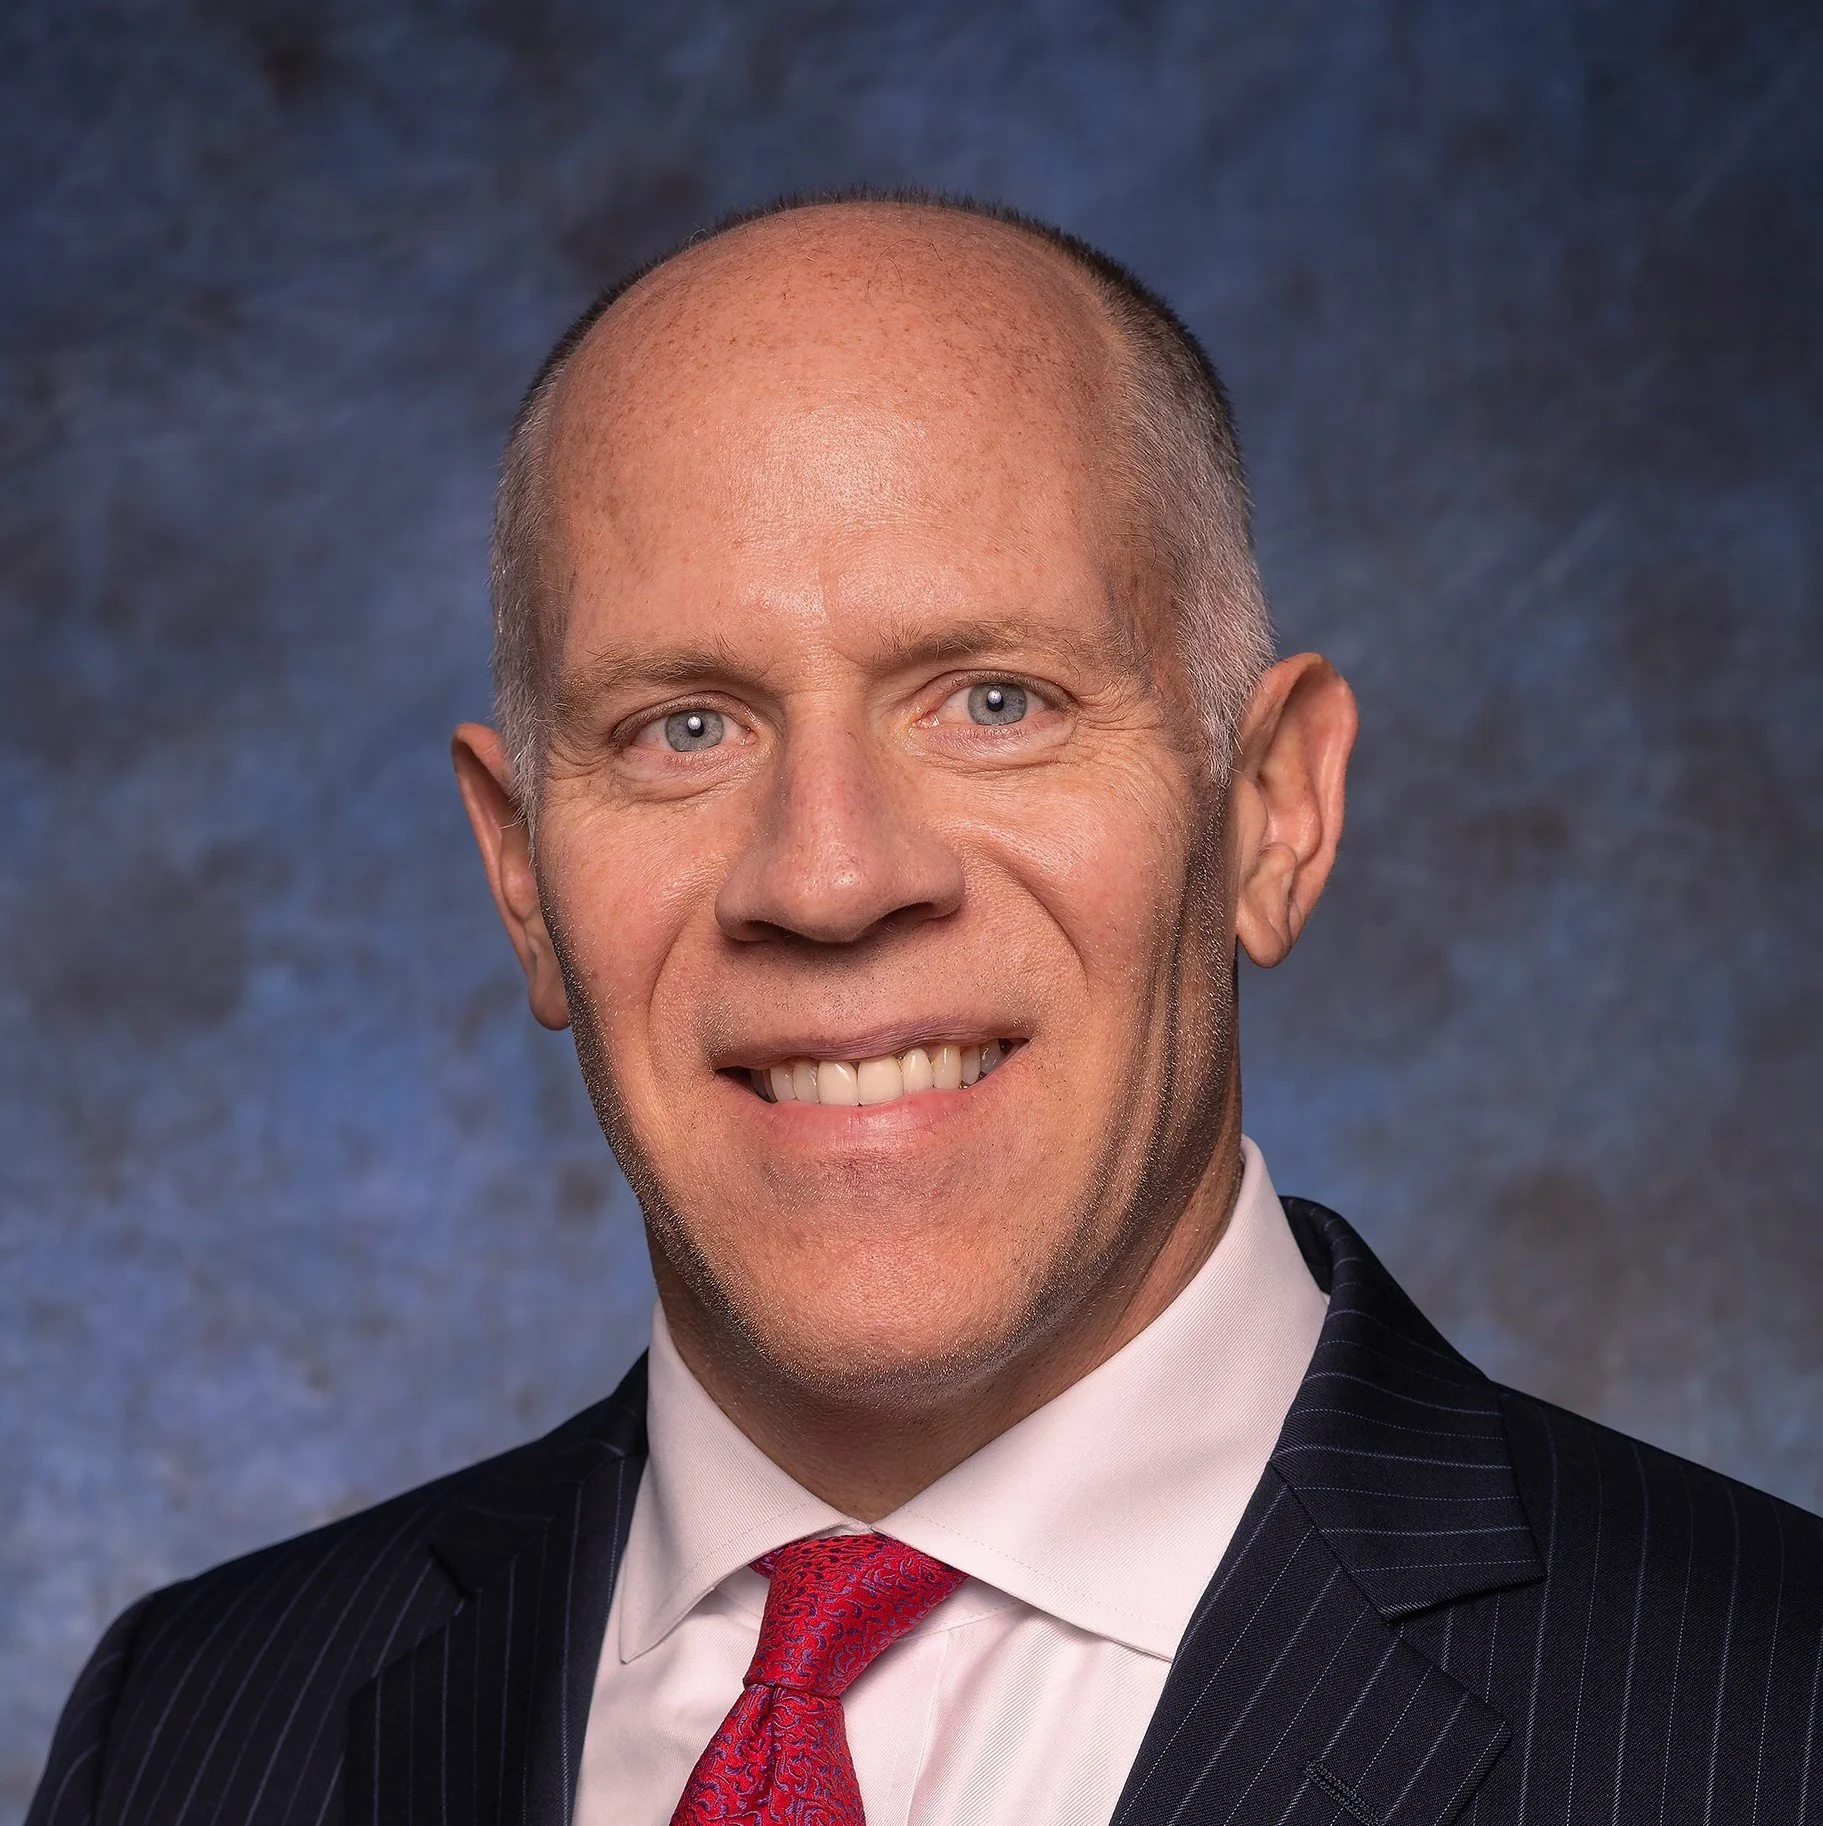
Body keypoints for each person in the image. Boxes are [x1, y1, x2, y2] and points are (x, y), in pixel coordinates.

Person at [27, 191, 1823, 1826]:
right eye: (684, 727)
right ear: (522, 877)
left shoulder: (1773, 1716)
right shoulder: (187, 1729)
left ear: (1270, 809)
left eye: (993, 700)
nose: (828, 875)